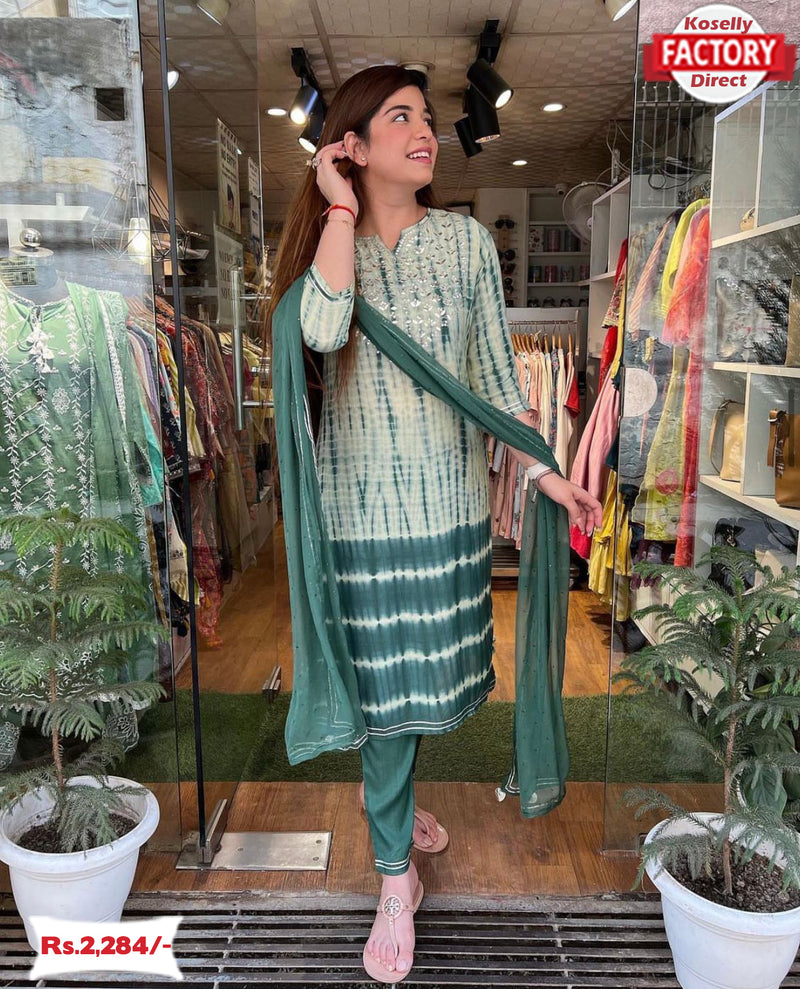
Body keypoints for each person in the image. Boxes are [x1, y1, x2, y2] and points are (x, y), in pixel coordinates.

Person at [267, 65, 602, 984]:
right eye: (400, 117)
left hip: (447, 512)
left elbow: (495, 376)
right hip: (357, 518)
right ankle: (393, 876)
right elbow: (322, 330)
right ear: (352, 145)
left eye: (426, 116)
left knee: (415, 691)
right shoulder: (331, 248)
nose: (425, 132)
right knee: (383, 701)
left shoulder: (464, 244)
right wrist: (339, 209)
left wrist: (544, 470)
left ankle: (394, 799)